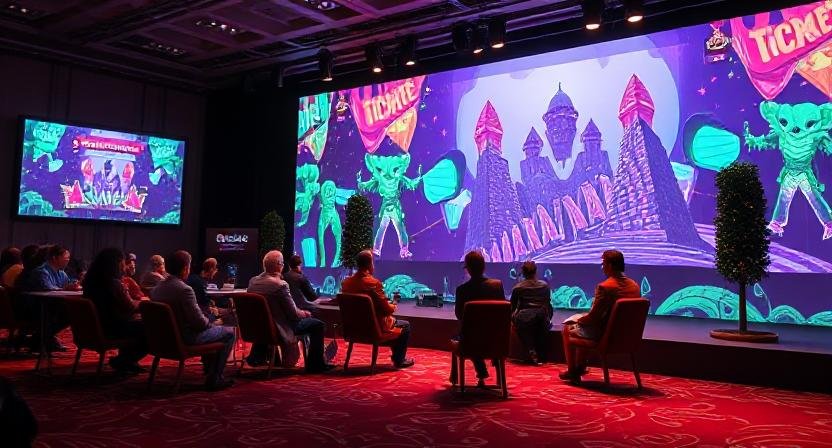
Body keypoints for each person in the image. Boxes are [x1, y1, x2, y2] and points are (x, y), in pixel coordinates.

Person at [151, 250, 235, 391]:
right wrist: (213, 323)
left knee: (214, 329)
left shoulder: (157, 288)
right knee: (228, 332)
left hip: (161, 340)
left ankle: (209, 369)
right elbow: (200, 324)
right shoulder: (185, 290)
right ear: (185, 268)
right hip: (185, 339)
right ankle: (215, 378)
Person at [246, 250, 335, 373]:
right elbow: (293, 314)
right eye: (282, 263)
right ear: (279, 265)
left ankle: (258, 356)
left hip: (260, 328)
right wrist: (305, 313)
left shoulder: (253, 282)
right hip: (280, 328)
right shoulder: (280, 285)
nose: (283, 265)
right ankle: (315, 365)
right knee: (318, 325)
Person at [559, 250, 640, 383]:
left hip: (606, 336)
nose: (602, 267)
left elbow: (593, 318)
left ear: (610, 265)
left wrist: (578, 319)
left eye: (603, 263)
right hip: (628, 336)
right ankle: (580, 367)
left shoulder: (605, 287)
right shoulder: (635, 286)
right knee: (582, 327)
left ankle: (573, 370)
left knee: (569, 329)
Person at [341, 250, 414, 369]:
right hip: (373, 329)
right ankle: (399, 360)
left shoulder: (346, 283)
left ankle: (397, 357)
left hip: (353, 329)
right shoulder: (373, 283)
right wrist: (394, 303)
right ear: (369, 265)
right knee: (405, 325)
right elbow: (387, 310)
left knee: (394, 325)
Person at [82, 248, 147, 373]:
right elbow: (130, 307)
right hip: (112, 329)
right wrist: (146, 305)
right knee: (152, 327)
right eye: (123, 261)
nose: (124, 265)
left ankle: (126, 360)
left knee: (137, 323)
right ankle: (125, 360)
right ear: (117, 263)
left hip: (96, 328)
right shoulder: (113, 283)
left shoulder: (90, 282)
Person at [455, 250, 506, 385]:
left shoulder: (462, 290)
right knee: (480, 333)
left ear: (468, 269)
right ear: (484, 266)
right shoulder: (497, 286)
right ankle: (495, 362)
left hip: (472, 340)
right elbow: (503, 312)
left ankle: (481, 371)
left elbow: (459, 315)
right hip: (497, 337)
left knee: (469, 334)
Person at [510, 261, 553, 364]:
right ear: (536, 271)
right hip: (542, 318)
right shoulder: (545, 286)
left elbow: (512, 307)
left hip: (524, 319)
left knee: (517, 320)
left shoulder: (518, 287)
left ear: (523, 273)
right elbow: (548, 304)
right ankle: (538, 352)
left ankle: (530, 350)